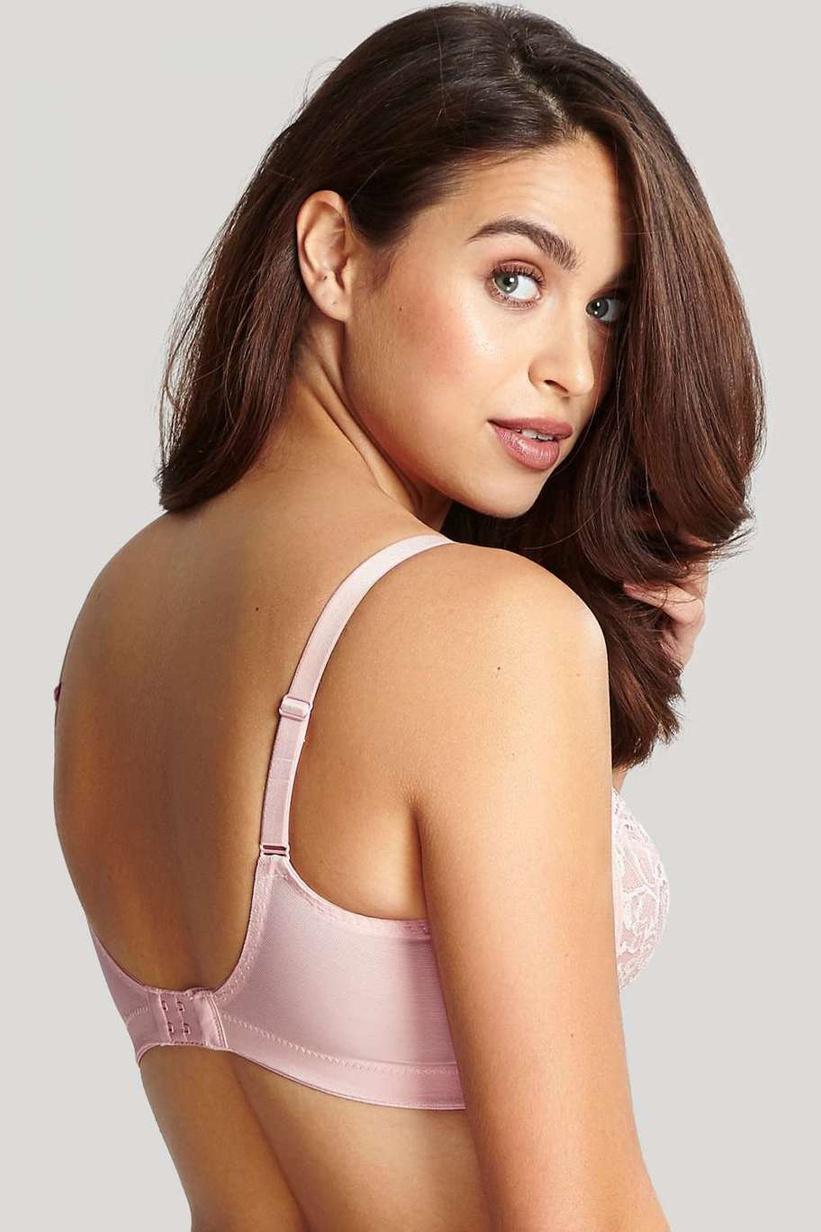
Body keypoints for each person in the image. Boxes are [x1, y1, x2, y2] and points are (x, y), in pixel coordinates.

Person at [52, 5, 764, 1230]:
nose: (574, 369)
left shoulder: (114, 611)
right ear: (333, 253)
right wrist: (534, 672)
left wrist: (582, 756)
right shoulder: (484, 625)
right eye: (514, 279)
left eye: (602, 308)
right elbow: (578, 1212)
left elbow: (329, 983)